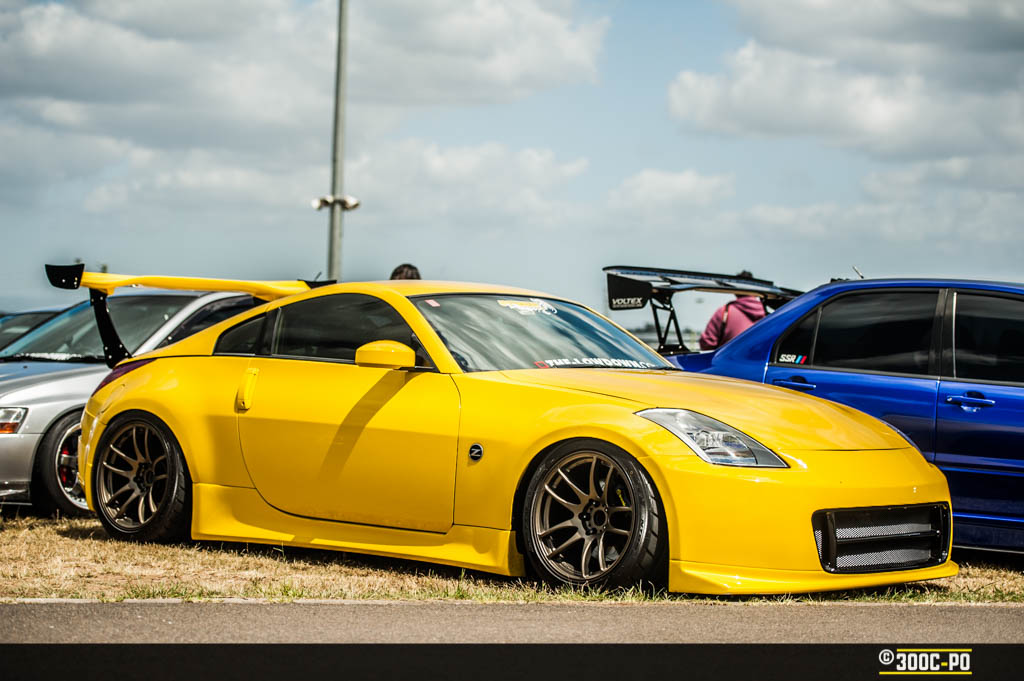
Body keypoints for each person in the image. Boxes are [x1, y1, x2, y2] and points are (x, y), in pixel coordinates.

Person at [699, 270, 766, 351]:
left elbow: (707, 344)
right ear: (755, 289)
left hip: (729, 358)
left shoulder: (725, 312)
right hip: (761, 358)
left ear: (735, 291)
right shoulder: (768, 314)